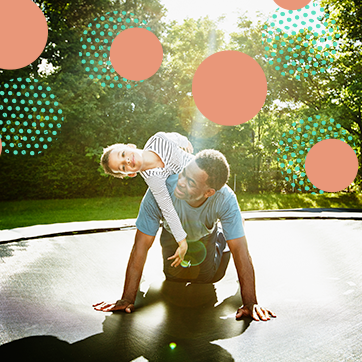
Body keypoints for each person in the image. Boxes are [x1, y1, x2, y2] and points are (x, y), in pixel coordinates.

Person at [94, 149, 276, 321]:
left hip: (205, 235)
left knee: (208, 277)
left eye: (191, 183)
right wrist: (127, 299)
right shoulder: (159, 191)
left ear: (209, 192)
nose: (181, 182)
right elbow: (140, 247)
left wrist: (250, 302)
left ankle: (227, 231)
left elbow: (240, 251)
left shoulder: (225, 198)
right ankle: (225, 228)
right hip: (172, 234)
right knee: (173, 277)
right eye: (183, 174)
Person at [100, 132, 194, 267]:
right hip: (189, 194)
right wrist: (182, 241)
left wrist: (185, 142)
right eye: (122, 167)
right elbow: (167, 208)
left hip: (201, 171)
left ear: (130, 146)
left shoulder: (158, 139)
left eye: (123, 154)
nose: (126, 160)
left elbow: (175, 137)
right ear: (131, 174)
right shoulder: (153, 179)